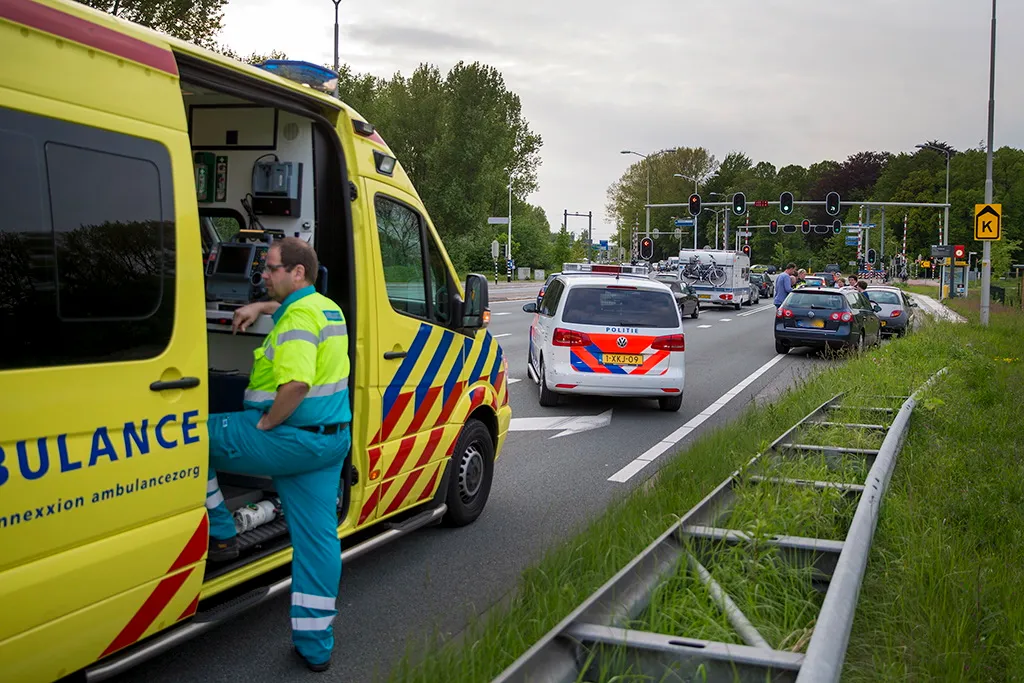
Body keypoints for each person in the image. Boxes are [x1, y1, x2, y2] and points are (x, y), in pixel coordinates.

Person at [205, 237, 350, 672]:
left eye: (270, 269)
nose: (263, 275)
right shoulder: (326, 307)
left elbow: (296, 384)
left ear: (297, 272)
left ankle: (222, 530)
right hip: (328, 442)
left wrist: (266, 423)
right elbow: (291, 310)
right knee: (318, 541)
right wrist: (261, 308)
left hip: (287, 438)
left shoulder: (298, 320)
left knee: (184, 437)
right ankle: (315, 645)